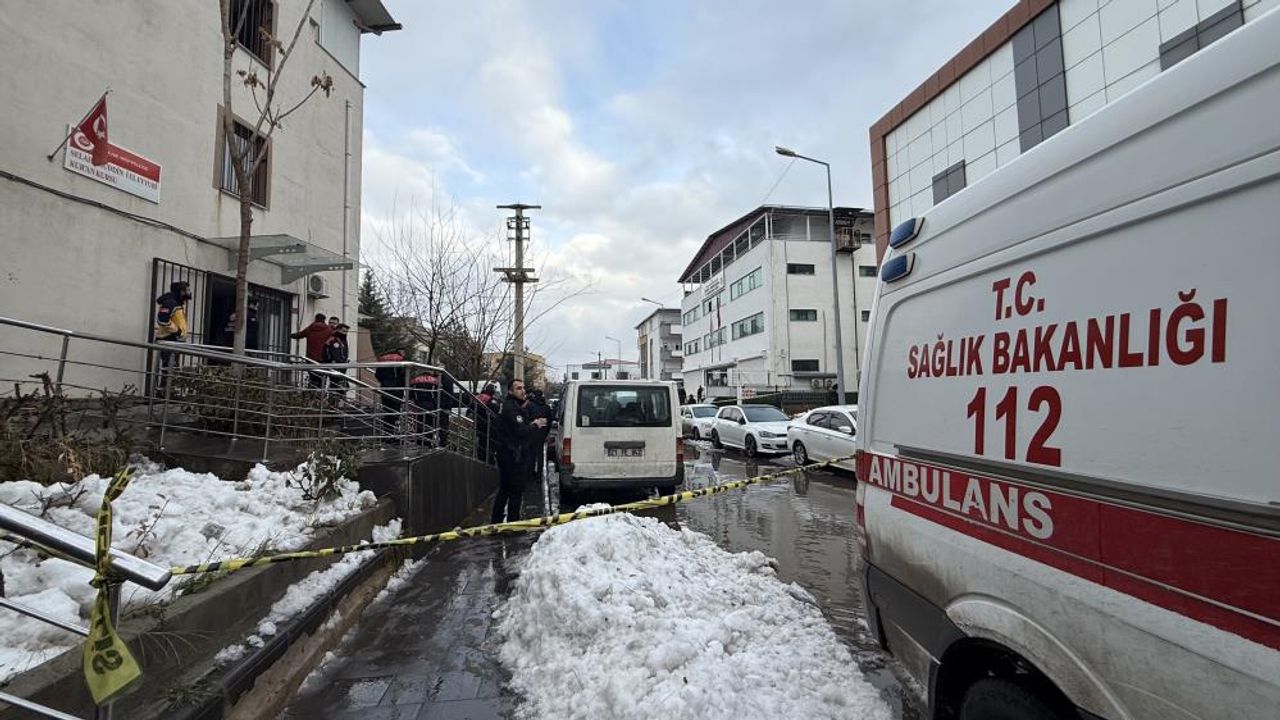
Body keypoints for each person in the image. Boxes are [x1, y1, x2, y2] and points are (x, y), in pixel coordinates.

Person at [490, 379, 545, 524]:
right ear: (510, 391)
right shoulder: (511, 408)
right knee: (514, 491)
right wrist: (535, 424)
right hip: (512, 455)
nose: (523, 391)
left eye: (523, 388)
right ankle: (512, 523)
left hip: (511, 453)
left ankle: (497, 521)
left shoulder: (513, 406)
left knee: (506, 489)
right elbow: (521, 431)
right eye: (518, 388)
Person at [154, 281, 192, 382]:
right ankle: (163, 390)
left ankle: (166, 389)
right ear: (181, 292)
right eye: (187, 290)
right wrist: (177, 331)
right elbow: (162, 320)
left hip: (174, 342)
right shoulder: (170, 303)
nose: (189, 292)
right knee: (169, 370)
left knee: (171, 370)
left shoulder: (176, 303)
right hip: (168, 341)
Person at [292, 313, 332, 387]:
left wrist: (291, 335)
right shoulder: (328, 330)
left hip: (310, 358)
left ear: (315, 319)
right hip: (323, 358)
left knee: (312, 378)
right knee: (322, 378)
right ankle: (320, 392)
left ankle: (312, 391)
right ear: (324, 320)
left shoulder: (310, 328)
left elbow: (299, 335)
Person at [374, 348, 407, 434]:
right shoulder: (399, 360)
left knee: (386, 410)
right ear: (400, 352)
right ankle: (393, 432)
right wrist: (404, 385)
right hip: (397, 389)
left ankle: (387, 432)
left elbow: (377, 375)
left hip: (385, 388)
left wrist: (384, 381)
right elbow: (403, 375)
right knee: (395, 411)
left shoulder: (383, 359)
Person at [524, 388, 551, 487]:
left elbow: (526, 419)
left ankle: (530, 475)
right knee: (540, 455)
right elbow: (549, 421)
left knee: (531, 455)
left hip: (531, 433)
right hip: (542, 434)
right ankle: (539, 476)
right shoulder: (546, 407)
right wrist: (546, 433)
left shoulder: (530, 406)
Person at [322, 323, 350, 395]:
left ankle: (338, 399)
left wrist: (346, 360)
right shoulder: (332, 339)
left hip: (342, 366)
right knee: (335, 384)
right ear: (338, 330)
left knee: (342, 385)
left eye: (346, 332)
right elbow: (325, 349)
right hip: (334, 366)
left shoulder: (344, 340)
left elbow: (344, 352)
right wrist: (330, 360)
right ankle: (332, 399)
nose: (345, 333)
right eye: (343, 331)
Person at [474, 383, 499, 461]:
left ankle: (481, 459)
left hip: (479, 423)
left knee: (481, 444)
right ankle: (488, 460)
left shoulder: (478, 397)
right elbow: (495, 409)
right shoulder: (490, 399)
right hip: (488, 425)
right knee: (489, 445)